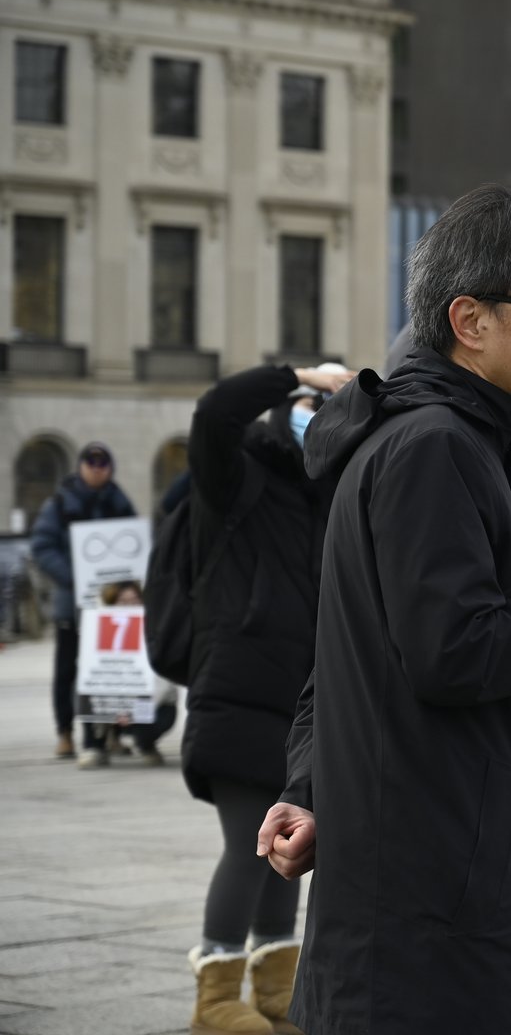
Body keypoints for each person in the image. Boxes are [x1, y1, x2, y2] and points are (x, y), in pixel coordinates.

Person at [256, 184, 511, 1034]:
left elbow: (346, 663)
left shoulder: (429, 439)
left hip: (420, 909)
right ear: (471, 321)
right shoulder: (433, 446)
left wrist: (309, 788)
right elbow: (458, 652)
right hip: (431, 938)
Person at [180, 361, 352, 1035]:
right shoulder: (238, 472)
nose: (314, 412)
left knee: (287, 848)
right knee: (246, 843)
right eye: (305, 404)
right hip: (237, 689)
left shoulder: (331, 487)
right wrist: (298, 373)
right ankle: (215, 991)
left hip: (301, 701)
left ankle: (276, 983)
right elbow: (214, 414)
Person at [29, 442, 136, 763]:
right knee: (68, 671)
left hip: (111, 609)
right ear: (80, 466)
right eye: (91, 462)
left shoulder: (119, 501)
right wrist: (76, 578)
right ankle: (65, 732)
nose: (97, 468)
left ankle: (113, 733)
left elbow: (134, 547)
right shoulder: (60, 503)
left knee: (114, 670)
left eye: (103, 463)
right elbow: (42, 546)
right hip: (71, 607)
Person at [99, 580, 179, 765]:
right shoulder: (98, 631)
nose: (131, 606)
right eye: (123, 602)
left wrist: (134, 710)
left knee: (158, 719)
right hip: (115, 702)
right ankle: (94, 746)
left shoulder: (157, 629)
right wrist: (115, 708)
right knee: (86, 702)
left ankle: (145, 744)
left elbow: (164, 684)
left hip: (150, 702)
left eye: (135, 600)